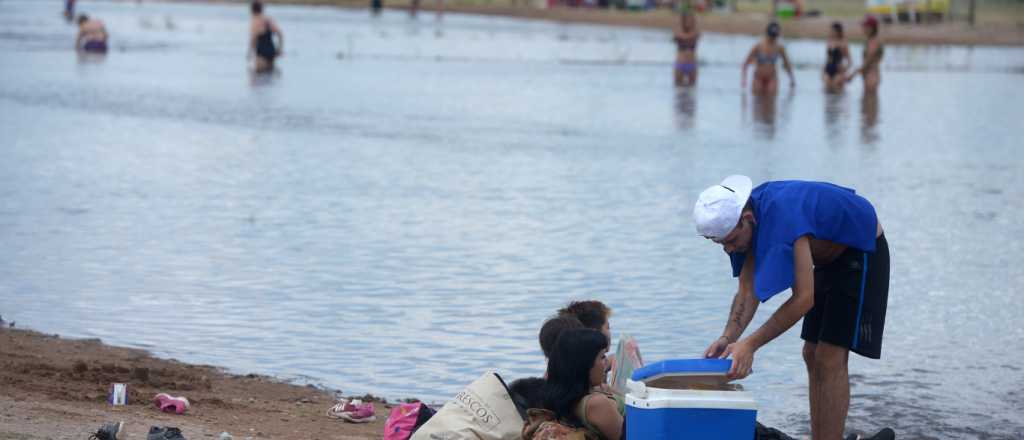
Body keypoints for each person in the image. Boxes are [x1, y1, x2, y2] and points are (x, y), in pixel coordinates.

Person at [694, 175, 892, 440]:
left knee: (829, 357)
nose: (729, 250)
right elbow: (747, 290)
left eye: (730, 241)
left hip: (861, 247)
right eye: (721, 244)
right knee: (811, 353)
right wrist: (728, 338)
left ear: (748, 219)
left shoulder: (784, 219)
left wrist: (751, 345)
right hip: (825, 255)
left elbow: (803, 300)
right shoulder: (746, 221)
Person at [524, 328, 622, 440]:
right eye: (602, 356)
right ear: (584, 366)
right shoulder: (597, 404)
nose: (606, 362)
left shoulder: (558, 395)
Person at [741, 22, 795, 96]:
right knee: (756, 100)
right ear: (767, 34)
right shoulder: (758, 46)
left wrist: (792, 79)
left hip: (772, 78)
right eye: (771, 36)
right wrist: (744, 80)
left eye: (774, 36)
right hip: (758, 78)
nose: (773, 39)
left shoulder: (779, 48)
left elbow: (787, 64)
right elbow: (745, 63)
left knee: (771, 99)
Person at [846, 15, 884, 94]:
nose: (863, 29)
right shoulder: (870, 41)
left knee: (870, 102)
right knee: (867, 103)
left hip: (872, 75)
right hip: (868, 75)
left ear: (871, 28)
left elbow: (867, 62)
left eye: (865, 26)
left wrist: (853, 75)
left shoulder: (874, 42)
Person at [248, 1, 283, 73]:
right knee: (270, 73)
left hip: (261, 51)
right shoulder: (268, 20)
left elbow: (253, 38)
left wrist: (250, 52)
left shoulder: (255, 21)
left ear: (252, 9)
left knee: (257, 76)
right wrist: (279, 49)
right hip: (271, 50)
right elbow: (280, 34)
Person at [823, 22, 851, 92]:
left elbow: (850, 61)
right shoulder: (829, 41)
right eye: (831, 30)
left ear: (838, 31)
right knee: (826, 89)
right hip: (828, 68)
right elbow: (828, 58)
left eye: (833, 31)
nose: (831, 32)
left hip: (838, 70)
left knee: (837, 88)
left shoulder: (843, 43)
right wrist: (823, 70)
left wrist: (844, 70)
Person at [673, 13, 700, 87]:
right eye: (687, 20)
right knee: (678, 88)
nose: (689, 22)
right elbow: (678, 36)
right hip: (680, 63)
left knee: (692, 88)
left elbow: (694, 35)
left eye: (691, 20)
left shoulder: (696, 30)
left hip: (692, 63)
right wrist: (684, 36)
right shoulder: (678, 30)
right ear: (683, 21)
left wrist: (684, 36)